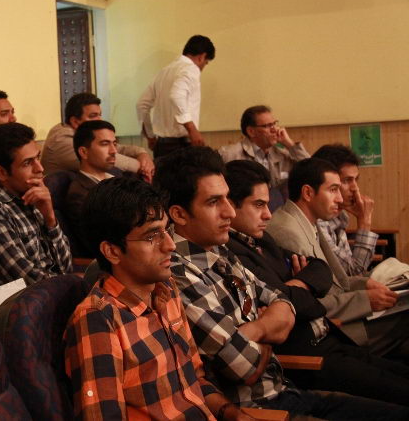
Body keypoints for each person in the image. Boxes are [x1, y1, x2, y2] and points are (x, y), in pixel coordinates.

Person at [154, 146, 409, 418]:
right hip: (259, 408)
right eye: (214, 202)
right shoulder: (178, 272)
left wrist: (256, 328)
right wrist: (269, 327)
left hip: (287, 387)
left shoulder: (220, 251)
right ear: (179, 214)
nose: (230, 212)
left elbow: (285, 299)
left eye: (227, 198)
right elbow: (244, 366)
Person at [224, 159, 409, 406]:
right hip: (311, 352)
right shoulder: (248, 245)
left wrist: (295, 287)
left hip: (327, 335)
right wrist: (297, 290)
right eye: (259, 205)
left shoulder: (263, 238)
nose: (268, 214)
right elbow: (299, 302)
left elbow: (321, 272)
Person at [65, 176, 251, 421]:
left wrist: (231, 413)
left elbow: (195, 378)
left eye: (167, 230)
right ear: (112, 251)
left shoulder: (167, 289)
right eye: (152, 236)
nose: (170, 245)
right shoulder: (98, 319)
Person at [267, 158, 409, 360]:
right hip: (332, 330)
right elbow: (312, 304)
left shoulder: (305, 221)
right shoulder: (287, 232)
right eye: (333, 190)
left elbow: (335, 282)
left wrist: (364, 283)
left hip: (343, 314)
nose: (340, 199)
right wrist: (365, 300)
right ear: (308, 193)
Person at [0, 122, 72, 288]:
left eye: (38, 157)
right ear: (2, 173)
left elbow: (66, 267)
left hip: (57, 291)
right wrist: (73, 286)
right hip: (27, 300)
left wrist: (50, 218)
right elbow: (29, 280)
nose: (40, 168)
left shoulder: (35, 197)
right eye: (27, 163)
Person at [41, 92, 154, 181]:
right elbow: (108, 159)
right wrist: (145, 168)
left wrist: (142, 154)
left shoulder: (79, 133)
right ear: (75, 121)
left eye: (100, 115)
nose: (99, 120)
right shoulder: (61, 140)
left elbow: (118, 148)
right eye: (93, 116)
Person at [136, 35, 215, 158]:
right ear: (202, 56)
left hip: (161, 146)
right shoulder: (191, 69)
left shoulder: (164, 71)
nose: (203, 67)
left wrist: (150, 136)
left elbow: (141, 105)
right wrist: (192, 130)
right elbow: (176, 95)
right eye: (206, 62)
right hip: (182, 145)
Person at [219, 105, 309, 210]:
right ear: (251, 131)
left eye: (275, 124)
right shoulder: (229, 154)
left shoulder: (281, 154)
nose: (275, 129)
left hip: (277, 211)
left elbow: (311, 170)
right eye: (268, 126)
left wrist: (290, 144)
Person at [313, 144, 377, 275]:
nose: (355, 188)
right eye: (347, 180)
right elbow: (351, 271)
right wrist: (364, 222)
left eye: (356, 180)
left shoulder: (340, 217)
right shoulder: (318, 222)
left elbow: (353, 271)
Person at [63, 119, 117, 255]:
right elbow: (100, 243)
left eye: (114, 143)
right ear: (84, 152)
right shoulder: (80, 193)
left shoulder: (116, 177)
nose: (114, 151)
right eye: (105, 144)